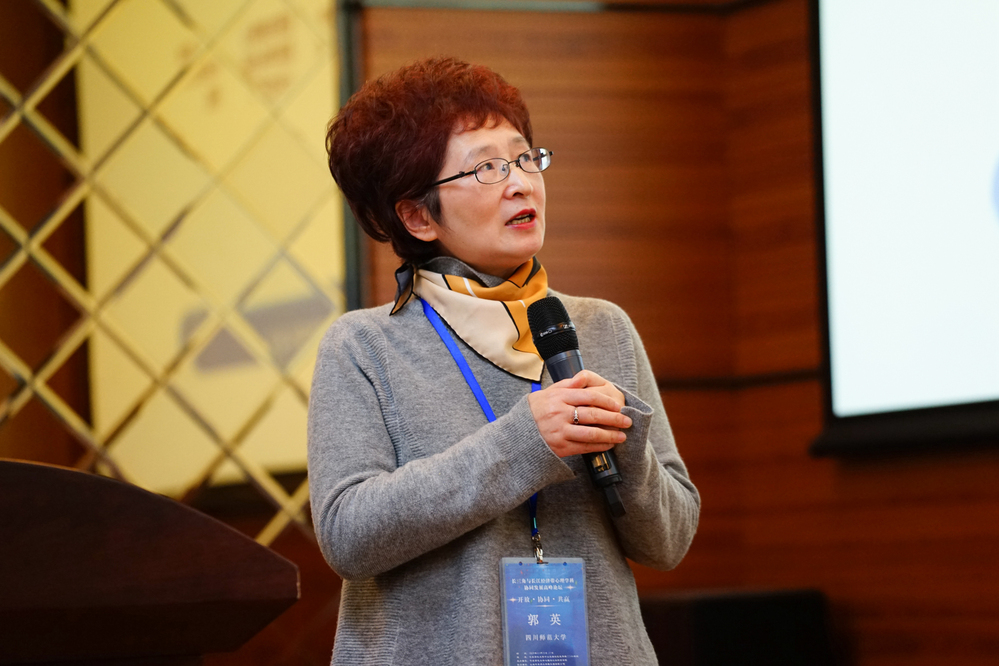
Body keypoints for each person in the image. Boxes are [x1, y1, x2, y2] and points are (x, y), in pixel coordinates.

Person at [308, 56, 699, 665]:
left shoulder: (601, 326)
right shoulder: (364, 346)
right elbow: (348, 535)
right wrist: (523, 443)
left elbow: (668, 542)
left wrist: (626, 447)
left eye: (524, 158)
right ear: (416, 216)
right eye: (486, 168)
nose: (520, 183)